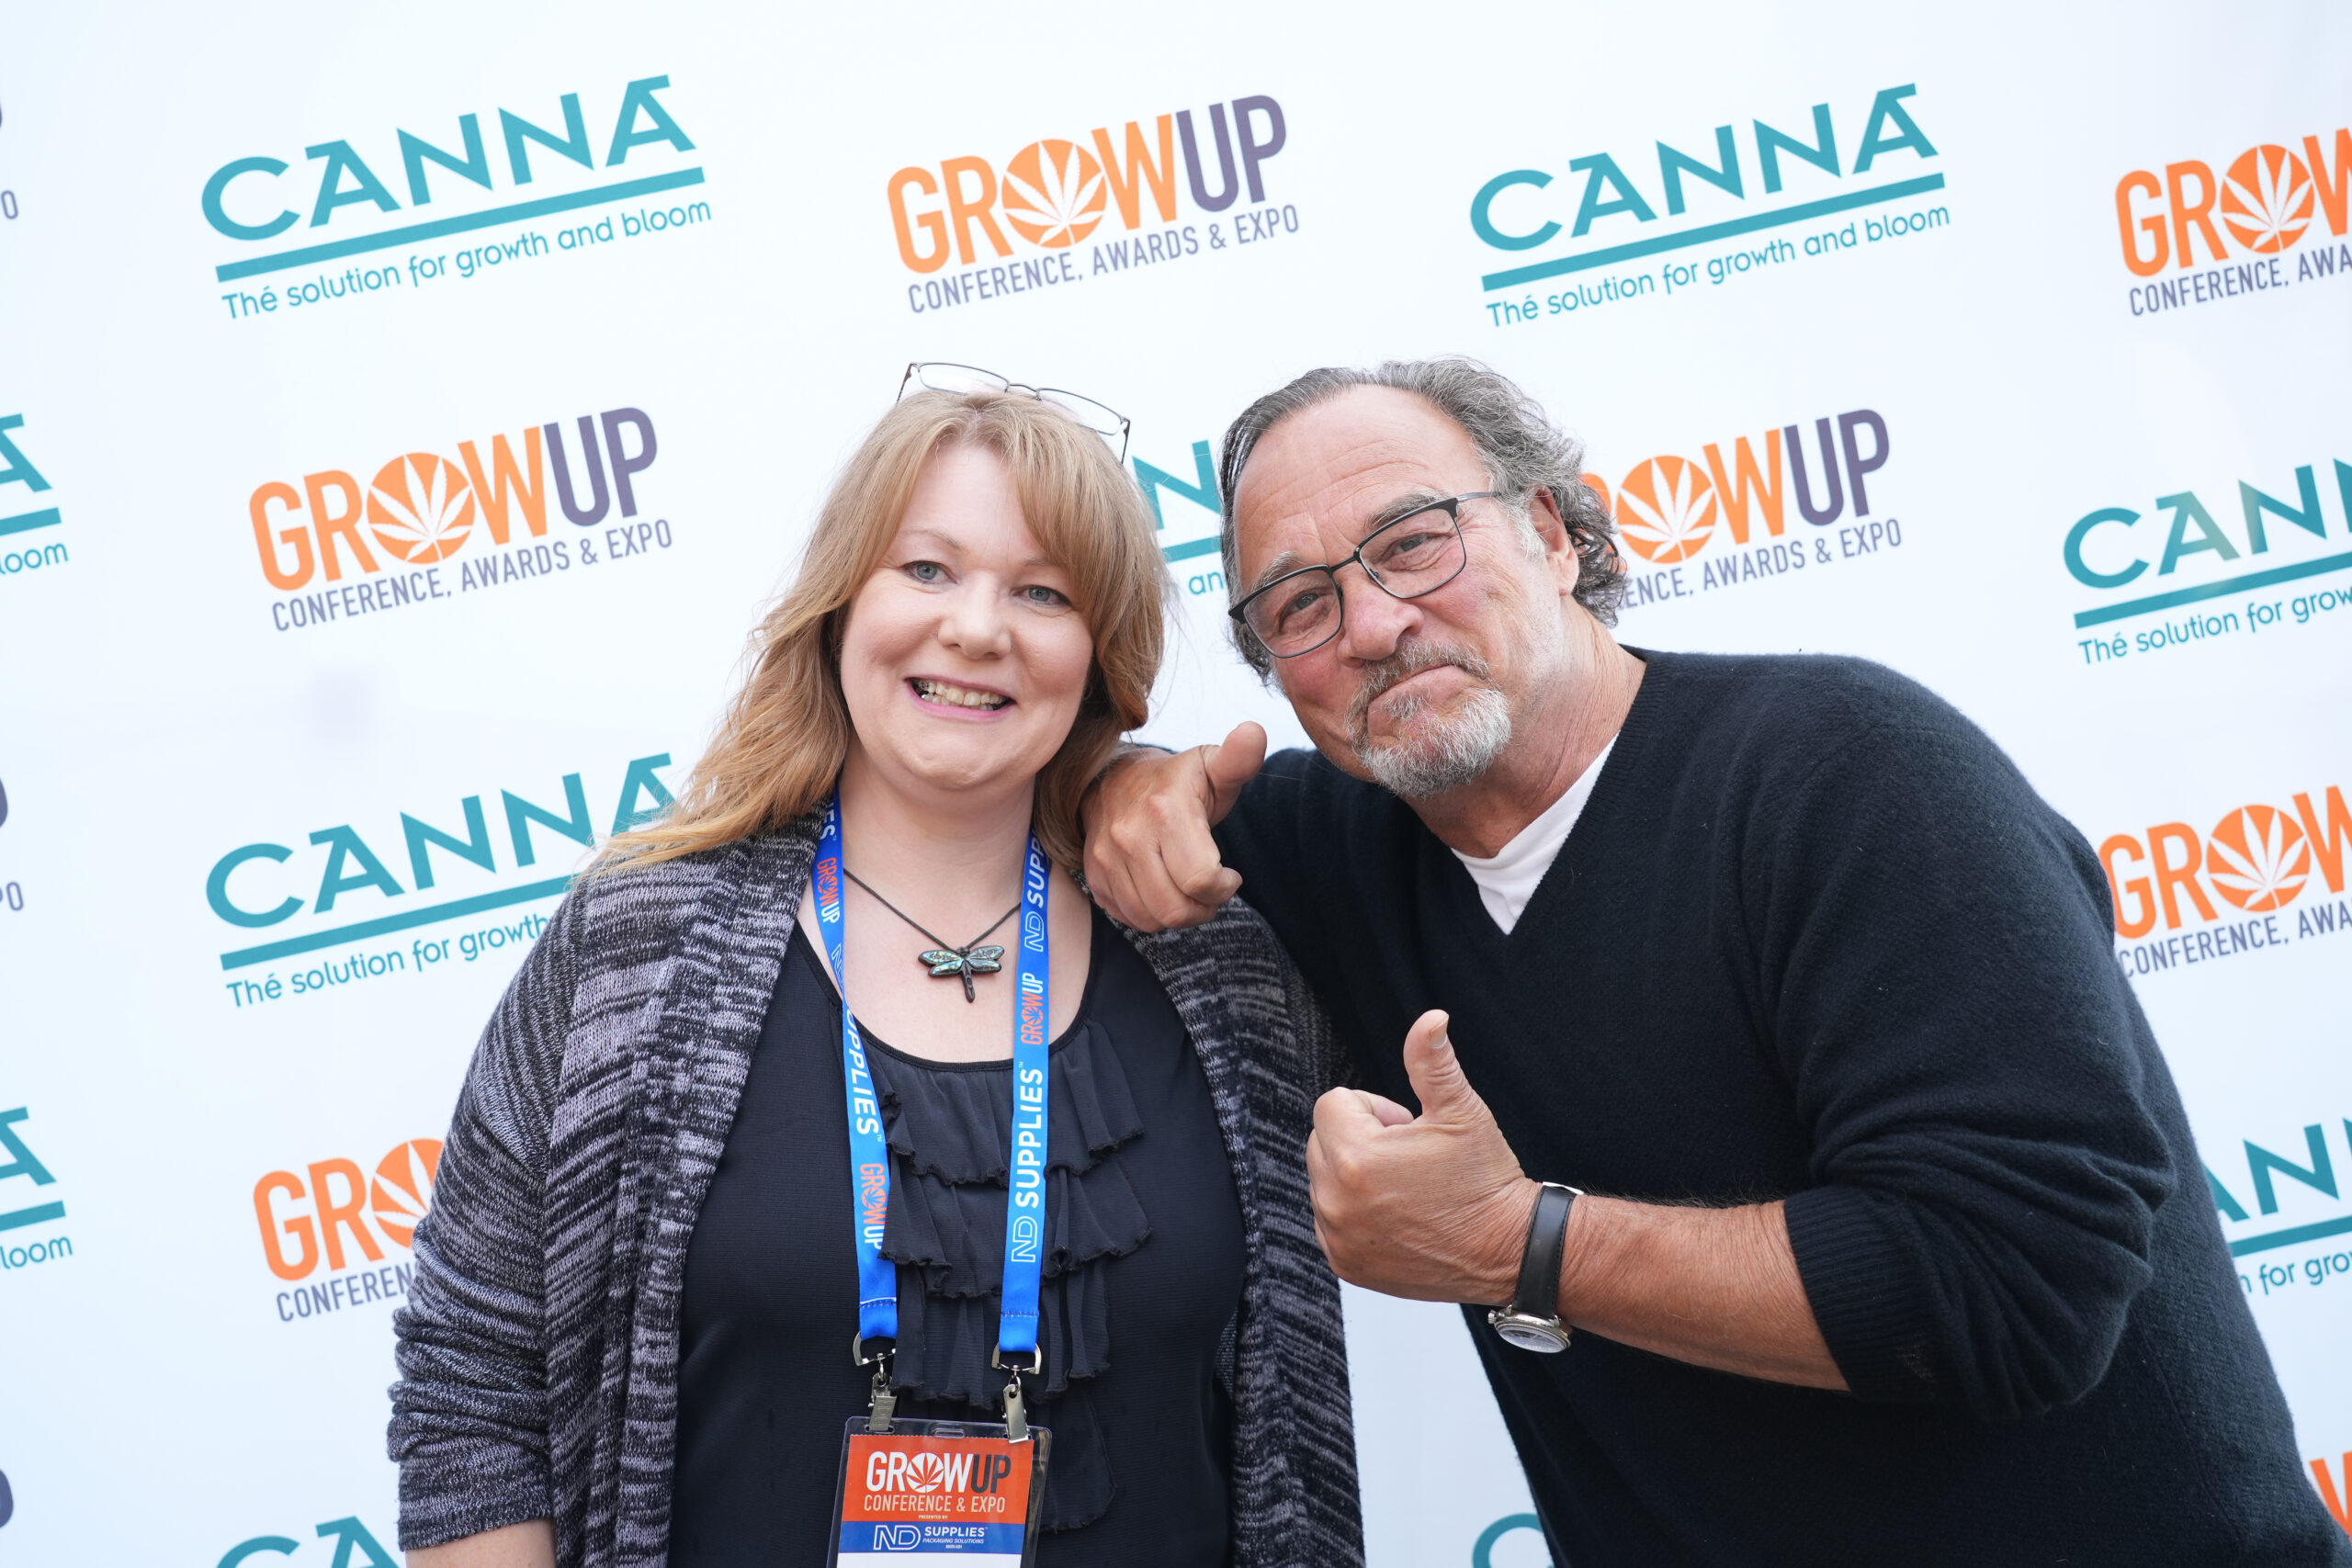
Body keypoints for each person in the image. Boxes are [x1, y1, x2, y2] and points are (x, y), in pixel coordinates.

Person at [1082, 357, 2350, 1565]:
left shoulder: (1851, 776)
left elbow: (2021, 1293)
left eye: (1414, 542)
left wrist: (1515, 1242)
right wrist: (1123, 783)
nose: (1371, 623)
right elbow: (1025, 765)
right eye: (1300, 605)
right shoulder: (1337, 848)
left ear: (1553, 534)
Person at [389, 380, 1363, 1568]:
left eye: (1044, 592)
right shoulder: (636, 945)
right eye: (928, 569)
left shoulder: (1221, 958)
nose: (978, 629)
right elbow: (473, 1379)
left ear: (1103, 656)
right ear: (842, 605)